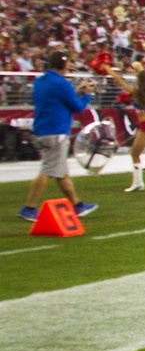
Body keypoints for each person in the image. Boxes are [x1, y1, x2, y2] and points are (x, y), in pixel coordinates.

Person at [18, 50, 97, 222]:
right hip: (56, 133)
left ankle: (77, 205)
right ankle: (29, 207)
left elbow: (56, 99)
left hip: (41, 130)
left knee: (61, 172)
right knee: (48, 170)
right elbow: (77, 107)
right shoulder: (62, 84)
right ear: (63, 64)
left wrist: (75, 91)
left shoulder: (40, 81)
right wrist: (87, 95)